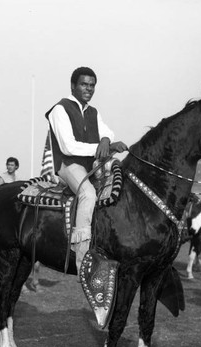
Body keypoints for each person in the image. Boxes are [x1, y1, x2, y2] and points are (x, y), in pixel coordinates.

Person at [45, 66, 128, 277]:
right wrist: (102, 147)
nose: (88, 89)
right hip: (68, 165)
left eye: (92, 85)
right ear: (73, 86)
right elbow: (68, 147)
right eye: (84, 84)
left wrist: (107, 140)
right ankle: (82, 258)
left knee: (121, 178)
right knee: (88, 194)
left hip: (90, 164)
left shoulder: (93, 112)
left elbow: (105, 131)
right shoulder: (60, 109)